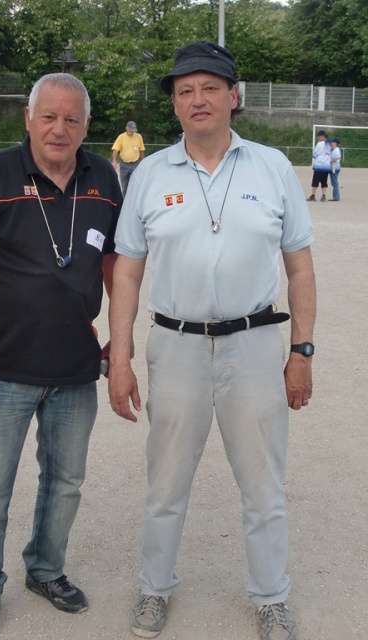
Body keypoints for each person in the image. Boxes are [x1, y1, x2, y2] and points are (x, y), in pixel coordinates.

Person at [108, 40, 316, 640]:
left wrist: (301, 351)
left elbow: (300, 268)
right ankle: (154, 588)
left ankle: (271, 596)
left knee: (264, 486)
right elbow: (127, 271)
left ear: (233, 96)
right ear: (174, 104)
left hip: (255, 345)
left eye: (209, 88)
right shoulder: (150, 174)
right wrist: (119, 358)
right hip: (176, 347)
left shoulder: (272, 167)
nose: (197, 99)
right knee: (166, 484)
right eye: (185, 91)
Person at [0, 72, 122, 640]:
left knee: (65, 483)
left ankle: (45, 570)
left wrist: (121, 340)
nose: (58, 129)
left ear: (86, 125)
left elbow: (116, 263)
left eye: (71, 119)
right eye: (48, 116)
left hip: (76, 369)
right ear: (29, 118)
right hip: (2, 369)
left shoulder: (104, 177)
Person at [111, 121, 145, 196]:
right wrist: (114, 161)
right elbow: (115, 149)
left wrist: (143, 161)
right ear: (126, 128)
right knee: (124, 187)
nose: (131, 132)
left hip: (135, 164)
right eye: (130, 130)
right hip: (124, 165)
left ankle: (133, 201)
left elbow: (141, 150)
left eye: (133, 130)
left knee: (133, 186)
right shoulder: (121, 137)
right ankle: (124, 201)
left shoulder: (138, 136)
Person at [306, 130, 331, 202]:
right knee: (324, 181)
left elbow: (314, 154)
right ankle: (323, 195)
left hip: (319, 165)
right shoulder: (329, 144)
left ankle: (313, 195)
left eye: (319, 136)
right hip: (326, 166)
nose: (318, 137)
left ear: (322, 136)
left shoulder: (320, 144)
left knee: (315, 181)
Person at [329, 137, 341, 201]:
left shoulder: (336, 149)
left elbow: (338, 157)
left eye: (332, 142)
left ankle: (336, 197)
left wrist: (331, 160)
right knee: (334, 182)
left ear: (335, 143)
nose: (331, 143)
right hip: (335, 167)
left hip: (335, 167)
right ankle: (336, 196)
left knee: (334, 182)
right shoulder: (334, 149)